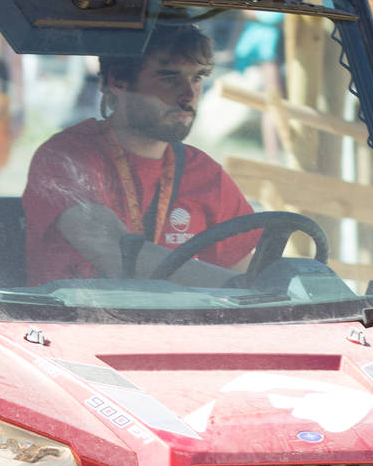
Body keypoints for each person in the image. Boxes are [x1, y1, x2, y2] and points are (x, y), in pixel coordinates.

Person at [22, 23, 257, 285]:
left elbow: (248, 272)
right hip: (77, 323)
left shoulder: (204, 172)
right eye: (169, 79)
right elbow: (117, 253)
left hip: (174, 325)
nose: (188, 95)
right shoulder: (65, 157)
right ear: (118, 80)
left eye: (197, 78)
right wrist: (237, 286)